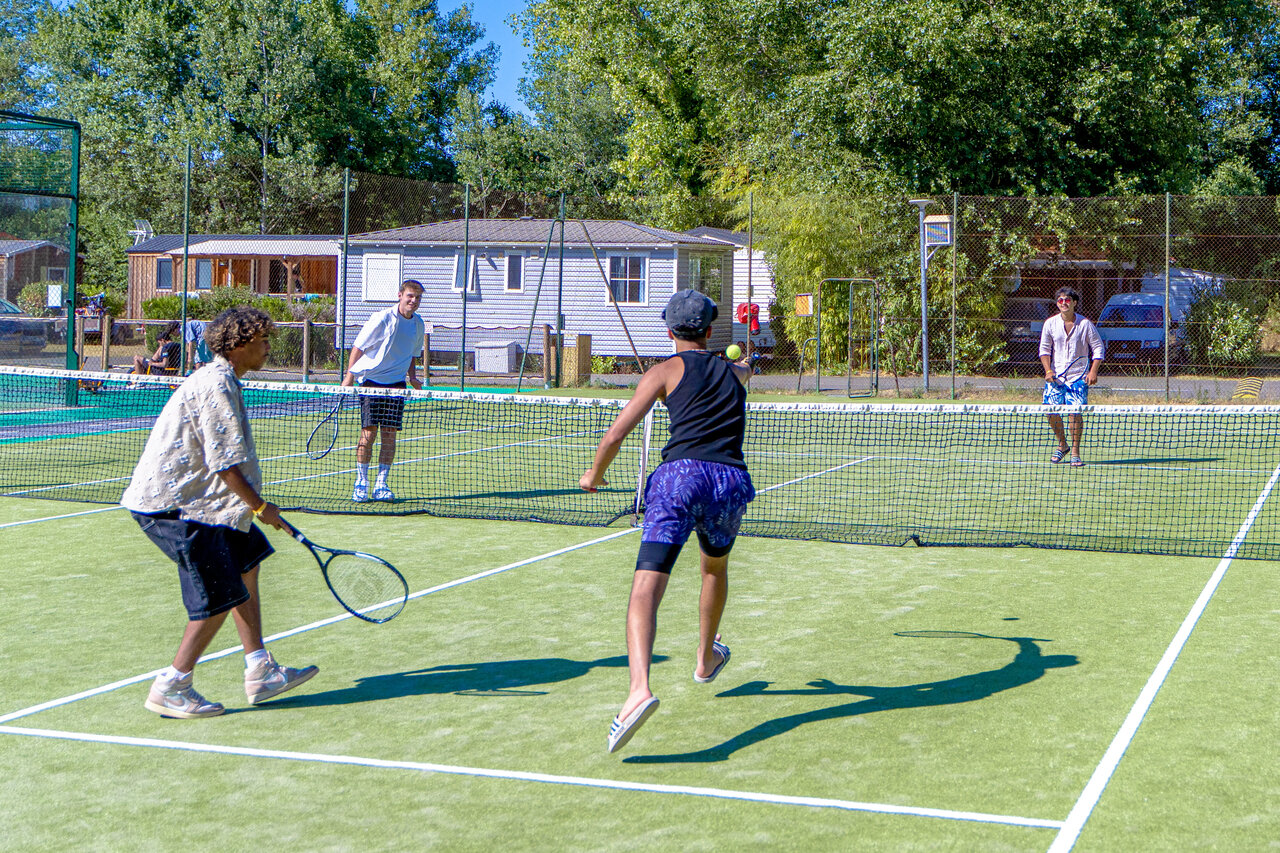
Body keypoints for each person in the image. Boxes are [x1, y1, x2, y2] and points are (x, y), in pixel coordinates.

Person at [581, 289, 755, 754]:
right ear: (710, 330)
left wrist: (593, 475)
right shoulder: (737, 372)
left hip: (679, 479)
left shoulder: (662, 372)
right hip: (730, 482)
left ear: (668, 329)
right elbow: (743, 367)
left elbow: (619, 431)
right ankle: (705, 659)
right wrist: (742, 351)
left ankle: (639, 689)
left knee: (645, 587)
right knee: (713, 569)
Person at [122, 306, 318, 718]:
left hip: (211, 505)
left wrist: (252, 510)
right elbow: (224, 463)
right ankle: (172, 686)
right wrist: (261, 507)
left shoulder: (226, 379)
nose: (268, 348)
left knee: (247, 560)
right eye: (263, 341)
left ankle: (259, 670)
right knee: (218, 595)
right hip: (173, 507)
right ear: (241, 344)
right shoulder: (214, 385)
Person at [342, 279, 425, 502]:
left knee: (389, 436)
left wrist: (413, 377)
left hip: (396, 385)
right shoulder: (382, 318)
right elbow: (358, 347)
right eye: (410, 296)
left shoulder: (418, 325)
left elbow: (412, 354)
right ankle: (361, 483)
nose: (413, 301)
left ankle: (381, 485)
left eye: (417, 298)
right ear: (400, 295)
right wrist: (348, 379)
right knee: (368, 434)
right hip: (371, 382)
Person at [1039, 286, 1105, 467]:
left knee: (1074, 413)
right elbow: (1044, 350)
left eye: (1067, 300)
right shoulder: (1050, 324)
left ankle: (1075, 451)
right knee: (1050, 411)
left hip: (1078, 378)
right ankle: (1063, 445)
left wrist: (1093, 371)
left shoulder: (1085, 325)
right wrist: (1048, 371)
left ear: (1074, 303)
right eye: (1060, 300)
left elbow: (1098, 348)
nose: (1063, 303)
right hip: (1056, 378)